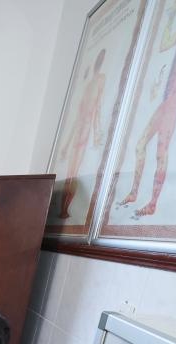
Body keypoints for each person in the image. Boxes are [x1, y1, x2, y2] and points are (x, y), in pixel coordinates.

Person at [119, 3, 176, 218]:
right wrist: (171, 18)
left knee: (160, 152)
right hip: (166, 100)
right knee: (141, 145)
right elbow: (164, 44)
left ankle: (153, 203)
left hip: (174, 102)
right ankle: (135, 192)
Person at [56, 49, 106, 220]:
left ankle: (64, 209)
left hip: (83, 132)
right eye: (99, 58)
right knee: (71, 173)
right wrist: (66, 145)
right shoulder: (93, 82)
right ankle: (63, 210)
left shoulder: (99, 80)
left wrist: (96, 134)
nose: (99, 61)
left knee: (73, 173)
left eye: (101, 58)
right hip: (80, 131)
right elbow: (82, 116)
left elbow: (96, 109)